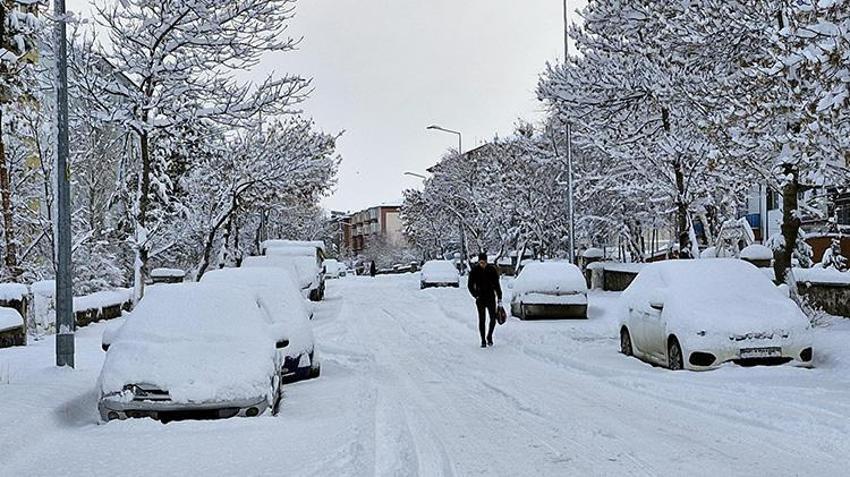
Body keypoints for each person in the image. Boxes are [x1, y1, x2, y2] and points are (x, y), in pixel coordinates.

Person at [467, 252, 502, 348]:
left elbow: (497, 284)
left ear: (486, 261)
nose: (482, 264)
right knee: (482, 319)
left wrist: (499, 296)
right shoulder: (474, 271)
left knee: (493, 319)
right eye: (481, 262)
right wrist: (475, 295)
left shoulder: (492, 270)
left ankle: (489, 336)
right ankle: (483, 339)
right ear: (479, 262)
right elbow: (470, 285)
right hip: (480, 298)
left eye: (484, 262)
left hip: (491, 297)